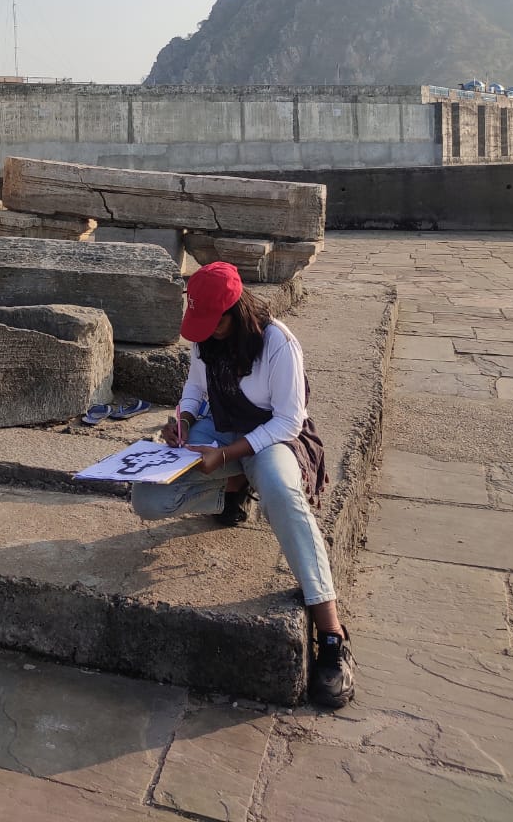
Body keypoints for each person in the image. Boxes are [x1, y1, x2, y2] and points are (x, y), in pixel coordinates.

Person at [130, 261, 355, 708]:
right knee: (148, 497)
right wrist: (183, 422)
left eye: (215, 324)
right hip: (221, 429)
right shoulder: (205, 342)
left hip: (271, 438)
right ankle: (234, 488)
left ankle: (331, 631)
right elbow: (195, 390)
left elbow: (288, 421)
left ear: (235, 311)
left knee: (282, 493)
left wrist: (227, 455)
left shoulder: (277, 344)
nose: (208, 334)